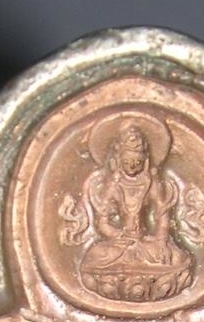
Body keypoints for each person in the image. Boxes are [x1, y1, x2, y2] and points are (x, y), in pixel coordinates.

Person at [79, 123, 193, 302]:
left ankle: (120, 284)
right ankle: (153, 283)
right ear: (117, 162)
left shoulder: (151, 183)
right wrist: (117, 235)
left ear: (145, 162)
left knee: (177, 258)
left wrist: (161, 241)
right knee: (96, 255)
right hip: (120, 244)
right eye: (127, 162)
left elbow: (162, 216)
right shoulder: (114, 185)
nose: (132, 166)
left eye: (137, 162)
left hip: (146, 242)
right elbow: (102, 222)